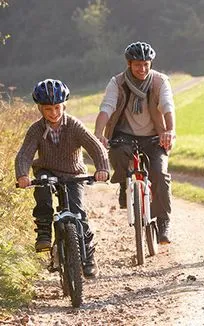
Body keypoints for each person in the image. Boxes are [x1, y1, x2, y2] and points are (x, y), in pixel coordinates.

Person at [15, 79, 110, 278]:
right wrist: (22, 175)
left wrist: (102, 168)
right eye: (48, 109)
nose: (53, 113)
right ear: (40, 108)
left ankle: (88, 258)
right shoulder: (36, 129)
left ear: (64, 105)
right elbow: (25, 154)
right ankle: (44, 232)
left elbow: (95, 146)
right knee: (42, 189)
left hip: (73, 173)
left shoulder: (74, 125)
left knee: (78, 213)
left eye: (57, 107)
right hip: (47, 171)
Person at [94, 41, 175, 244]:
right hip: (125, 134)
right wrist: (98, 133)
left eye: (146, 64)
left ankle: (163, 221)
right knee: (117, 152)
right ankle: (124, 183)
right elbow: (107, 107)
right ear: (129, 64)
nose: (143, 69)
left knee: (160, 174)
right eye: (138, 64)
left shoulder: (159, 81)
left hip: (154, 135)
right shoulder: (117, 82)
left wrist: (170, 130)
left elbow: (167, 105)